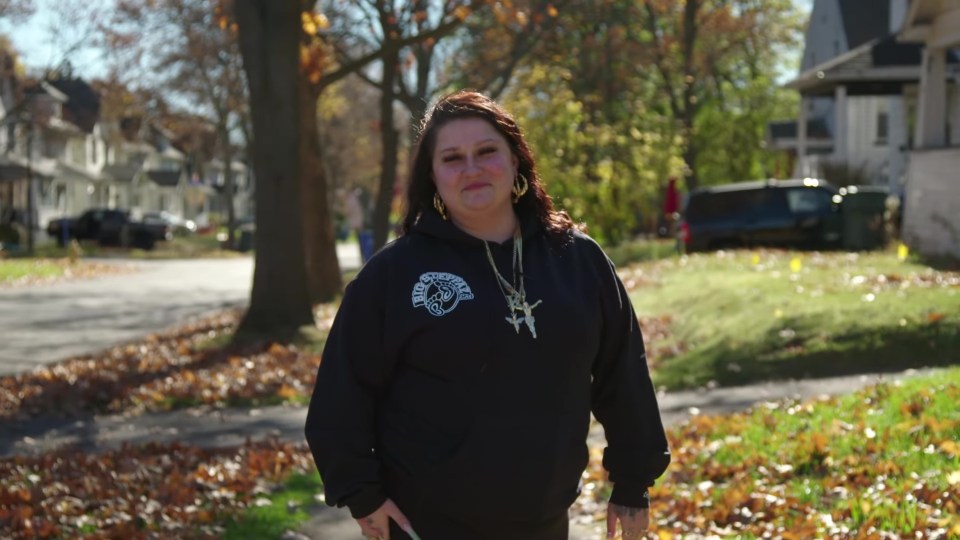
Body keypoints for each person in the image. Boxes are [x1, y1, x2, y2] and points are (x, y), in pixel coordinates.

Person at [304, 90, 671, 540]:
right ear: (432, 177)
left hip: (543, 522)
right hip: (423, 524)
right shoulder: (394, 275)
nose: (472, 169)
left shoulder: (577, 261)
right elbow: (341, 395)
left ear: (516, 160)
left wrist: (633, 482)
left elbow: (623, 376)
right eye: (452, 158)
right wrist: (362, 494)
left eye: (486, 152)